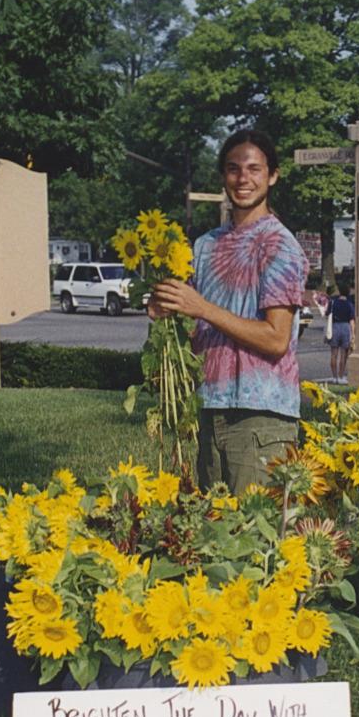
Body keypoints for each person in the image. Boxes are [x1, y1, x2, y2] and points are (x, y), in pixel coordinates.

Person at [150, 129, 307, 492]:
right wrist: (167, 310)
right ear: (223, 176)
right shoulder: (205, 246)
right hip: (210, 408)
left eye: (254, 169)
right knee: (211, 536)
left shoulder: (280, 245)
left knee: (256, 539)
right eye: (234, 169)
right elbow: (194, 327)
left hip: (261, 416)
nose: (243, 179)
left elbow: (275, 339)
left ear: (273, 176)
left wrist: (202, 308)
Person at [325, 274, 354, 384]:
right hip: (345, 327)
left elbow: (328, 315)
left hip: (335, 327)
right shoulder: (349, 305)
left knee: (333, 354)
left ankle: (334, 376)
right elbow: (352, 320)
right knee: (344, 355)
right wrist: (353, 333)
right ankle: (341, 376)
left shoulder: (333, 303)